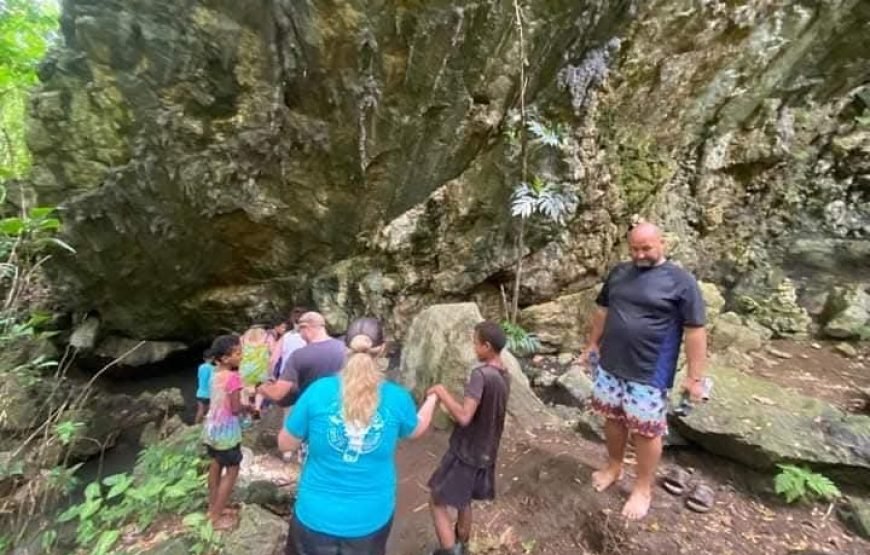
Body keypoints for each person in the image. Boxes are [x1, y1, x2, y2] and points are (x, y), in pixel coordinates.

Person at [278, 317, 439, 555]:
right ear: (383, 349)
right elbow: (415, 429)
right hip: (370, 518)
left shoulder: (319, 391)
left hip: (315, 515)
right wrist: (432, 399)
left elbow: (285, 443)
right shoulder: (397, 398)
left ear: (345, 348)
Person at [583, 222, 708, 520]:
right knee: (612, 417)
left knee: (646, 430)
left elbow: (695, 331)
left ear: (661, 243)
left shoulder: (681, 282)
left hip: (650, 371)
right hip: (611, 363)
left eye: (646, 248)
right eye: (635, 249)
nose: (640, 255)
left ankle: (642, 488)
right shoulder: (620, 273)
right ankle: (614, 465)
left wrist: (694, 378)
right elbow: (603, 310)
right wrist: (592, 344)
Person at [426, 321, 511, 555]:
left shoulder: (480, 375)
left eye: (475, 343)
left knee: (436, 500)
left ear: (486, 346)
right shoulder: (504, 374)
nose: (473, 347)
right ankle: (462, 546)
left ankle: (449, 551)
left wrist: (442, 392)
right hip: (486, 451)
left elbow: (464, 417)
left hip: (467, 452)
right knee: (464, 500)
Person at [202, 334, 246, 529]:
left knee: (216, 463)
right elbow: (235, 408)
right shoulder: (233, 378)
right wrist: (249, 408)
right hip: (227, 432)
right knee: (233, 470)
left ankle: (213, 507)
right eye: (237, 353)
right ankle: (216, 517)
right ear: (226, 358)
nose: (241, 355)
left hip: (211, 428)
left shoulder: (214, 374)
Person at [258, 311, 345, 407]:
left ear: (305, 328)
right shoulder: (344, 349)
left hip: (311, 411)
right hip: (340, 409)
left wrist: (261, 388)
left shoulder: (299, 356)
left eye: (300, 331)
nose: (300, 335)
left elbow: (278, 394)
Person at [240, 327, 271, 418]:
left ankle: (246, 408)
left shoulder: (244, 343)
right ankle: (257, 408)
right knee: (260, 391)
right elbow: (271, 355)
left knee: (244, 391)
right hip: (261, 371)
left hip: (246, 371)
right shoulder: (265, 343)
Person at [194, 351, 215, 424]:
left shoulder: (200, 367)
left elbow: (199, 377)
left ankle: (195, 426)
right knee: (209, 411)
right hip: (209, 394)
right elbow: (213, 380)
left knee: (200, 410)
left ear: (204, 358)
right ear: (213, 358)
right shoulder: (213, 368)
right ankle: (206, 426)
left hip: (200, 393)